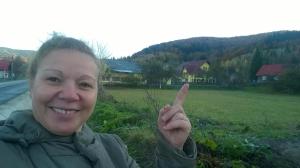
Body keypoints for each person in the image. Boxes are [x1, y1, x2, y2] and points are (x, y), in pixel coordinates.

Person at [0, 36, 197, 167]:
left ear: (96, 91)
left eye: (84, 84)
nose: (70, 95)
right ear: (31, 85)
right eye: (53, 79)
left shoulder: (114, 149)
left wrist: (173, 150)